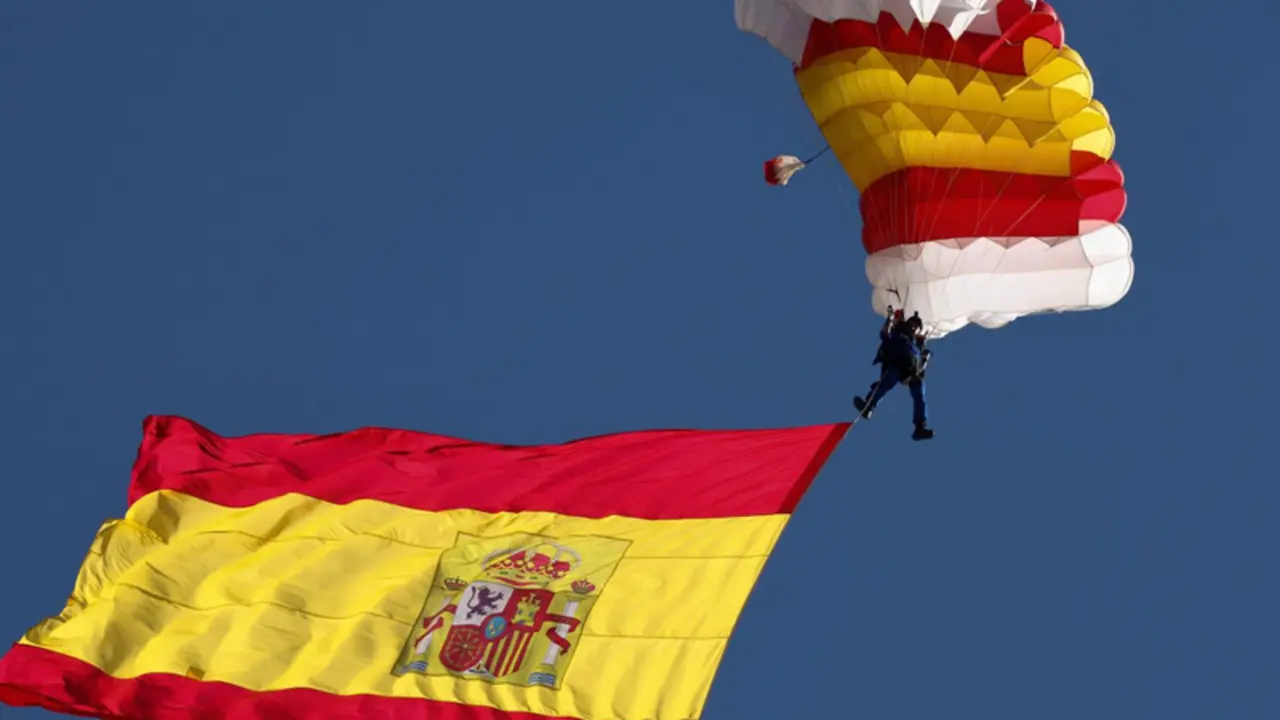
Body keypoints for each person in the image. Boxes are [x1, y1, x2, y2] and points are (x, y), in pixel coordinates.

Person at [853, 307, 935, 441]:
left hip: (913, 369)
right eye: (912, 324)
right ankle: (869, 406)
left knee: (919, 394)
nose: (914, 327)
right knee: (887, 382)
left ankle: (920, 427)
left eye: (917, 327)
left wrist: (924, 357)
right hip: (897, 363)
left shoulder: (918, 346)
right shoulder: (898, 334)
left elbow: (922, 358)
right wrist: (890, 319)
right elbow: (885, 334)